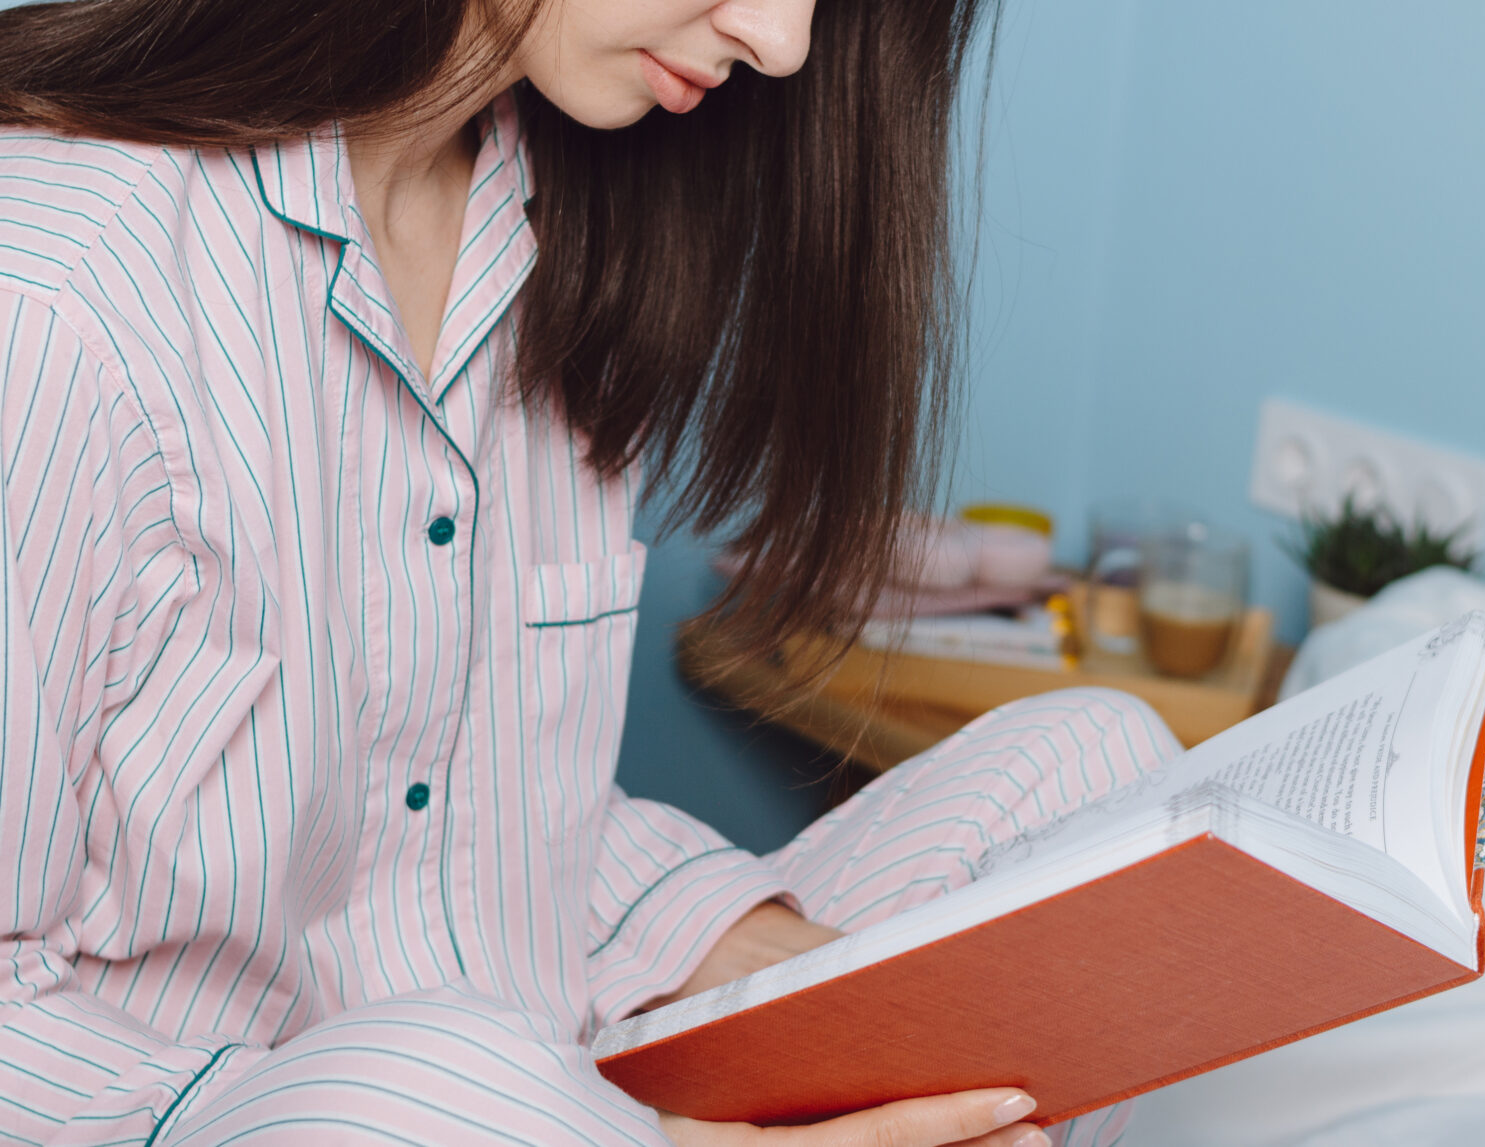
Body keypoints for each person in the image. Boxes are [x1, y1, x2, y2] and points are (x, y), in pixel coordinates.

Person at [0, 0, 1180, 1143]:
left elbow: (460, 807)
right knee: (438, 1075)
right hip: (298, 1108)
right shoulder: (51, 295)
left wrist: (736, 943)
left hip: (547, 1075)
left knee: (1099, 775)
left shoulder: (547, 221)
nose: (782, 43)